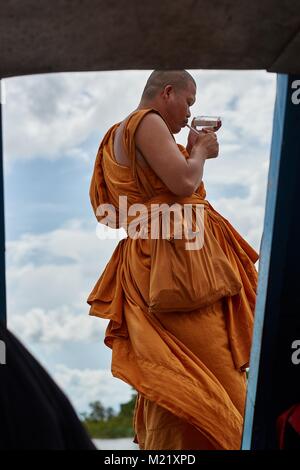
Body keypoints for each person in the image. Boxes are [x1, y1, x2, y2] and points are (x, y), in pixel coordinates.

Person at [87, 70, 259, 450]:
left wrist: (192, 151)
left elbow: (124, 207)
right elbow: (183, 183)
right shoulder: (146, 122)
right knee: (215, 375)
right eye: (188, 103)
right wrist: (199, 153)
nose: (187, 114)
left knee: (170, 372)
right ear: (168, 93)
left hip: (154, 260)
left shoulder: (117, 135)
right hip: (177, 271)